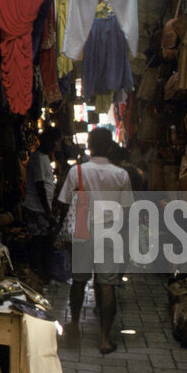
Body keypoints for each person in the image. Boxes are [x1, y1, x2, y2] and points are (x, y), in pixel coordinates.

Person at [54, 127, 133, 354]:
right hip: (109, 230)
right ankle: (105, 339)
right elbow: (127, 210)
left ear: (89, 145)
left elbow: (63, 202)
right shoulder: (121, 175)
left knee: (78, 281)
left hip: (82, 228)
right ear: (110, 147)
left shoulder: (77, 171)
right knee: (107, 284)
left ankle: (75, 327)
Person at [23, 127, 62, 280]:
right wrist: (48, 212)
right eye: (55, 142)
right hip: (36, 207)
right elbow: (40, 186)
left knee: (42, 240)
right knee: (41, 241)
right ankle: (40, 274)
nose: (56, 146)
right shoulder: (39, 158)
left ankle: (41, 273)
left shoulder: (44, 157)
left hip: (39, 207)